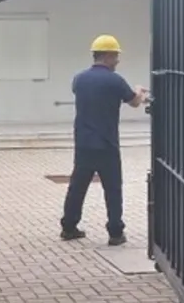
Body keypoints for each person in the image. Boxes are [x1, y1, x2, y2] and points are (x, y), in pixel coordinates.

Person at [60, 34, 149, 247]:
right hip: (107, 144)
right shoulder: (115, 80)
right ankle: (115, 232)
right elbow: (134, 102)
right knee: (113, 188)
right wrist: (140, 91)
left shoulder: (79, 78)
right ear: (108, 55)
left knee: (77, 186)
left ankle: (69, 227)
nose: (118, 60)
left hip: (83, 142)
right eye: (116, 55)